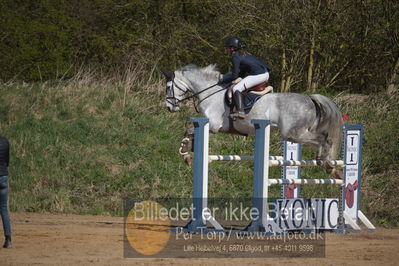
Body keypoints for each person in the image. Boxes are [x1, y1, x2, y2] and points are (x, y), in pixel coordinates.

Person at [218, 37, 271, 119]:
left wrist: (223, 80)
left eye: (227, 48)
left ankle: (240, 111)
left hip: (258, 75)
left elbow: (235, 76)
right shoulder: (245, 54)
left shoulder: (235, 56)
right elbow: (242, 73)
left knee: (236, 88)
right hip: (265, 73)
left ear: (232, 48)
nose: (226, 50)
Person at [0, 136, 11, 248]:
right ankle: (8, 239)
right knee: (3, 209)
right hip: (3, 176)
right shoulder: (5, 141)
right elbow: (7, 161)